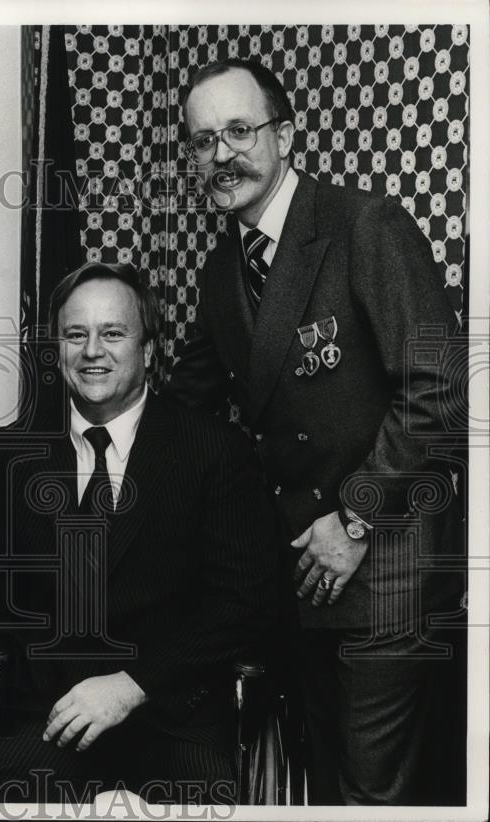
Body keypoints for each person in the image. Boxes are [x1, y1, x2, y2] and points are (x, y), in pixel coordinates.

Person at [164, 58, 466, 804]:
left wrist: (357, 515)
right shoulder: (219, 271)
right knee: (323, 786)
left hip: (384, 561)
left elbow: (441, 392)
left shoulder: (364, 225)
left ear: (287, 133)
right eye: (204, 141)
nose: (222, 154)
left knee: (372, 794)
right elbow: (187, 407)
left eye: (240, 130)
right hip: (299, 573)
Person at [0, 262, 277, 803]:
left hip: (174, 716)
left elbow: (245, 600)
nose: (93, 351)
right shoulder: (13, 458)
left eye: (113, 333)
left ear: (149, 349)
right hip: (54, 718)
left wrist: (132, 685)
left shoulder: (213, 450)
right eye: (76, 334)